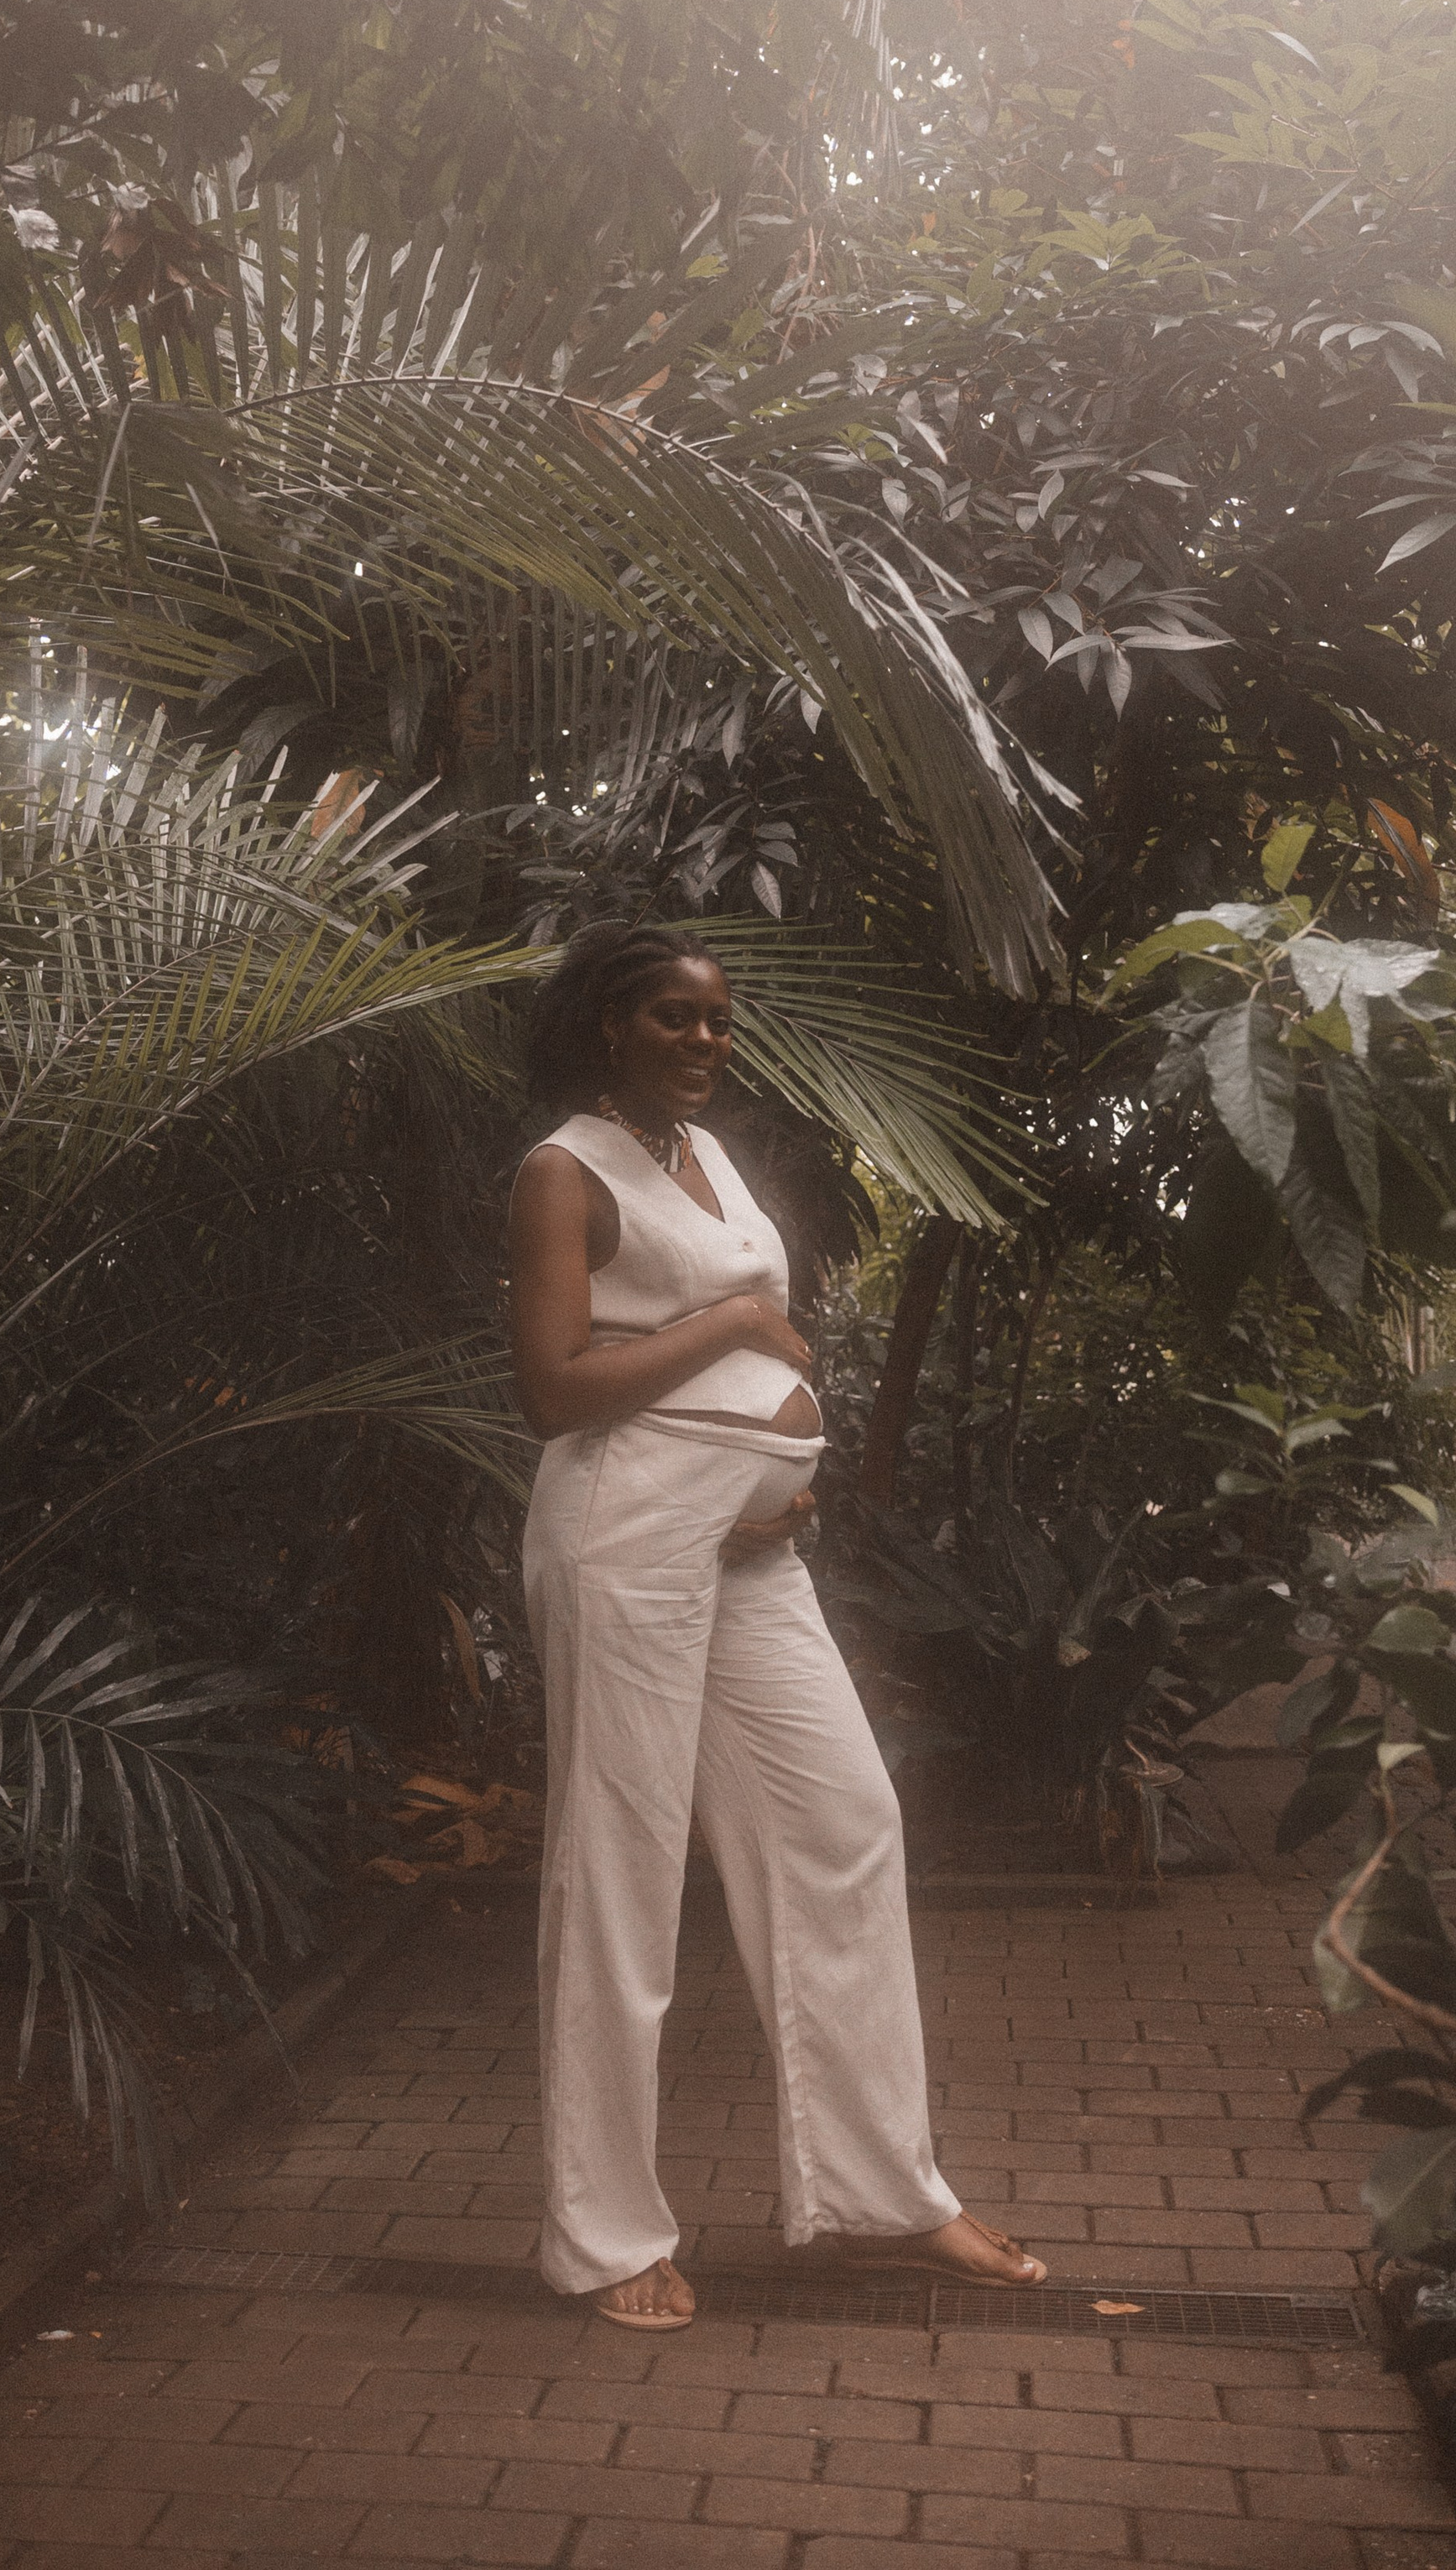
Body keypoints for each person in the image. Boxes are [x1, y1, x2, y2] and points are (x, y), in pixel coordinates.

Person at [509, 920, 1046, 2332]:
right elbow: (558, 1388)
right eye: (675, 1017)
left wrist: (760, 1492)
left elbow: (741, 1361)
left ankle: (885, 2195)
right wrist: (739, 1327)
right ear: (609, 1023)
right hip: (622, 1541)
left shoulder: (713, 1160)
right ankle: (606, 2233)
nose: (706, 1041)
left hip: (744, 1550)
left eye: (719, 1021)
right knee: (619, 1875)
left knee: (847, 1820)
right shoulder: (564, 1170)